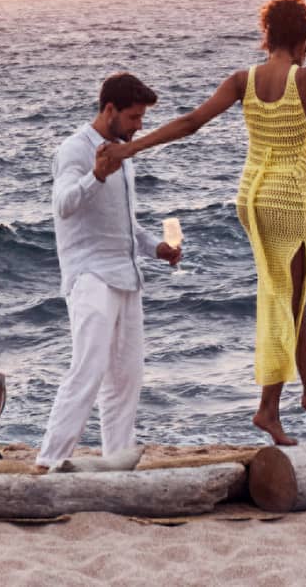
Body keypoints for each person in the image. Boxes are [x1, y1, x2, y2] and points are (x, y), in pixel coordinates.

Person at [101, 0, 306, 443]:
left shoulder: (242, 80)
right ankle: (271, 408)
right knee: (287, 301)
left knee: (289, 297)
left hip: (250, 198)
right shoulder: (304, 79)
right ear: (303, 38)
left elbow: (191, 122)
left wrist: (130, 148)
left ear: (268, 35)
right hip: (284, 200)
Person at [36, 72, 183, 469]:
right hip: (90, 276)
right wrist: (97, 175)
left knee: (126, 377)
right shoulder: (75, 150)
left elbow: (123, 223)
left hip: (127, 275)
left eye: (142, 118)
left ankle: (116, 461)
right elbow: (63, 204)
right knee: (88, 370)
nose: (140, 126)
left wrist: (156, 248)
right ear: (110, 110)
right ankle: (49, 460)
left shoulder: (122, 153)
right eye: (134, 117)